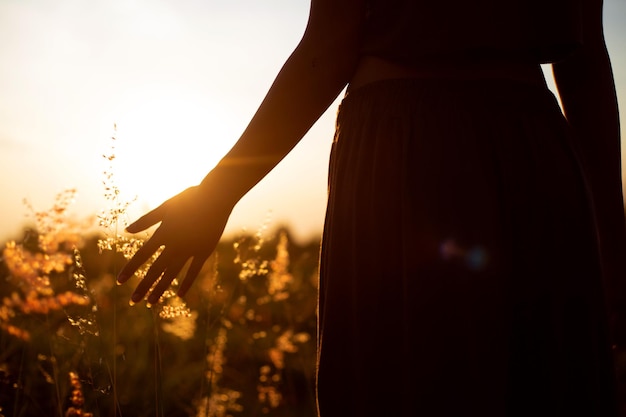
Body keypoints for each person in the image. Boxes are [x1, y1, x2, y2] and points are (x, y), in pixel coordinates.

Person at [117, 0, 626, 415]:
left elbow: (329, 44)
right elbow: (585, 63)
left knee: (402, 384)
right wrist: (614, 246)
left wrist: (218, 192)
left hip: (406, 156)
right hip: (532, 151)